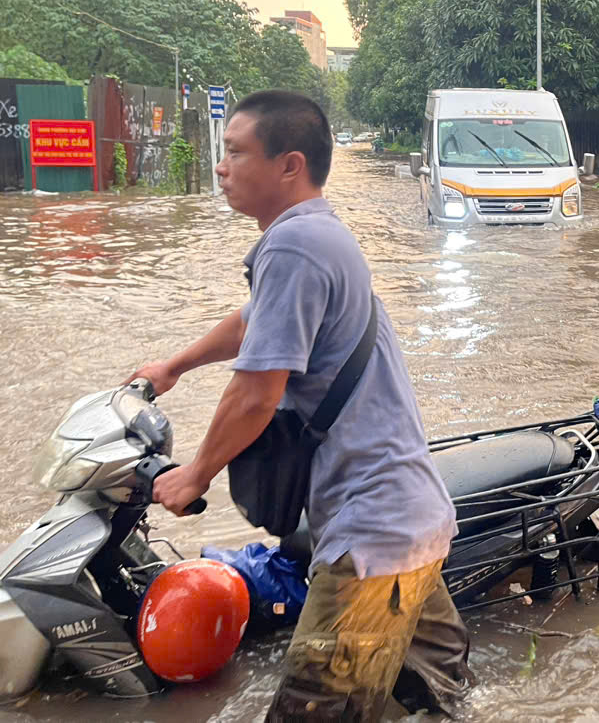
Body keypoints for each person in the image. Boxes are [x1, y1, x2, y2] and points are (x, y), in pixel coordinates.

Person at [129, 90, 473, 720]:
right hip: (409, 519)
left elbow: (256, 392)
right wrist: (174, 366)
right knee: (438, 701)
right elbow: (254, 321)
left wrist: (194, 476)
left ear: (289, 164)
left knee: (312, 712)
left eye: (235, 152)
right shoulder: (317, 234)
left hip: (372, 538)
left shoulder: (293, 246)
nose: (221, 166)